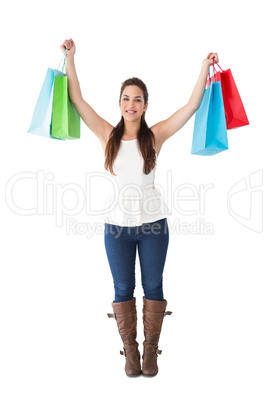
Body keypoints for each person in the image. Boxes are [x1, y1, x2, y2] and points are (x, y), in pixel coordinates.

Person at [60, 38, 219, 377]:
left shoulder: (155, 135)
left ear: (146, 105)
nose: (131, 104)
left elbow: (190, 107)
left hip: (153, 226)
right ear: (119, 104)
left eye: (137, 99)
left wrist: (204, 68)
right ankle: (130, 353)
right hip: (116, 228)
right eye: (126, 98)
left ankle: (151, 354)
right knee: (122, 289)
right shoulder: (107, 134)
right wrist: (71, 58)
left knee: (154, 286)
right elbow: (77, 99)